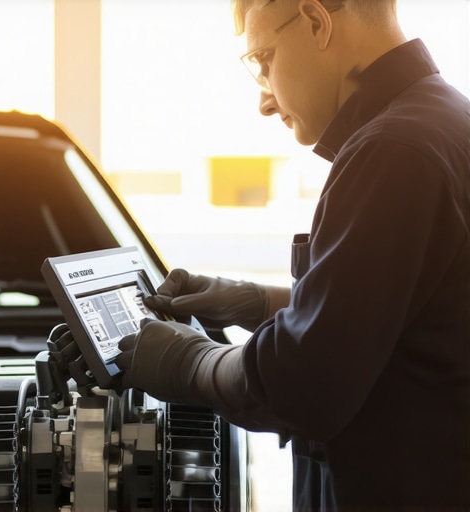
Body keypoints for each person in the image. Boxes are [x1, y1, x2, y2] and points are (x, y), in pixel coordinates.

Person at [115, 0, 470, 509]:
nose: (264, 99)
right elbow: (393, 320)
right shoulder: (442, 118)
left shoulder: (393, 149)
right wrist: (260, 302)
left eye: (263, 59)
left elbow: (304, 384)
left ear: (316, 21)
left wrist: (190, 362)